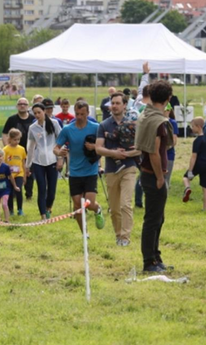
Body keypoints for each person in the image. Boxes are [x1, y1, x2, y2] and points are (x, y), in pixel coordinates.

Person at [134, 80, 173, 273]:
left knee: (158, 218)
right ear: (168, 99)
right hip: (153, 174)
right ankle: (149, 261)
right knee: (152, 220)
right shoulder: (158, 121)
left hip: (146, 173)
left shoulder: (146, 114)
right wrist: (160, 177)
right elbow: (154, 152)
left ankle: (156, 257)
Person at [54, 100, 105, 233]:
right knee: (77, 205)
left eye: (82, 114)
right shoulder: (67, 129)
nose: (79, 117)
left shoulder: (96, 127)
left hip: (90, 170)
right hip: (75, 172)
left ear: (88, 113)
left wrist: (94, 147)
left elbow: (104, 146)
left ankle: (97, 209)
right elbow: (56, 148)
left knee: (88, 203)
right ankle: (85, 233)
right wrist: (59, 153)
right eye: (77, 114)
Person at [95, 93, 140, 246]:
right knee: (114, 208)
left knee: (125, 204)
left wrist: (125, 154)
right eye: (112, 103)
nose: (114, 106)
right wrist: (113, 153)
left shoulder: (133, 123)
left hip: (129, 167)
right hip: (111, 169)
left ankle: (126, 238)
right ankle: (119, 235)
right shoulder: (104, 125)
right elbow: (98, 148)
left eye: (117, 103)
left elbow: (141, 148)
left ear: (124, 105)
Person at [27, 103, 61, 220]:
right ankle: (43, 216)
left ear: (44, 112)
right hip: (38, 162)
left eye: (39, 112)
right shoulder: (32, 128)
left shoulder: (54, 123)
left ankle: (48, 207)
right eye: (34, 113)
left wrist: (60, 159)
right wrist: (28, 165)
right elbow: (30, 147)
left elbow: (60, 141)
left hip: (52, 161)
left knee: (51, 191)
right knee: (41, 188)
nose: (37, 115)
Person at [3, 97, 35, 199]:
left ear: (28, 106)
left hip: (30, 151)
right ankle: (14, 193)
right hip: (14, 152)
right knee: (14, 172)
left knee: (29, 172)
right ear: (17, 106)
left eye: (25, 104)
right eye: (20, 104)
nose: (22, 105)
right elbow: (4, 134)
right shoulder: (11, 119)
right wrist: (7, 147)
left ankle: (28, 194)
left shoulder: (33, 119)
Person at [182, 117, 206, 211]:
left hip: (199, 164)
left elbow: (194, 156)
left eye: (193, 126)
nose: (191, 128)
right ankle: (205, 208)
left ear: (198, 127)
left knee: (185, 178)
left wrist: (190, 170)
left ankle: (187, 188)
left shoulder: (197, 141)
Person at [3, 129, 27, 216]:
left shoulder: (21, 149)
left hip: (19, 174)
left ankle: (20, 209)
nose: (17, 141)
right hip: (9, 175)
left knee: (18, 190)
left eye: (18, 139)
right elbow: (3, 163)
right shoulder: (5, 150)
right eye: (15, 139)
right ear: (9, 139)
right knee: (9, 192)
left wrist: (24, 175)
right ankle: (11, 210)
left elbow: (23, 162)